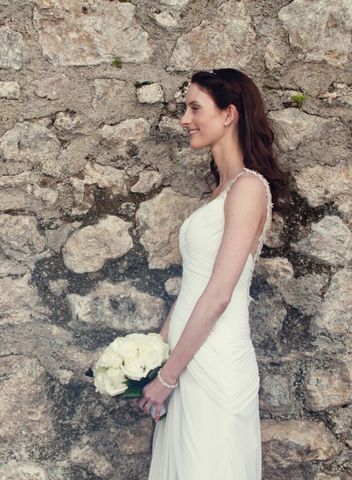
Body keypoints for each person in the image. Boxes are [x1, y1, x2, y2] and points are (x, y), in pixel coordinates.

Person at [135, 68, 288, 479]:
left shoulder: (248, 188)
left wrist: (166, 378)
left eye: (194, 107)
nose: (185, 119)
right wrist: (151, 356)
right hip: (186, 358)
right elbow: (193, 288)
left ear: (229, 114)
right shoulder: (219, 192)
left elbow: (219, 294)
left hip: (215, 360)